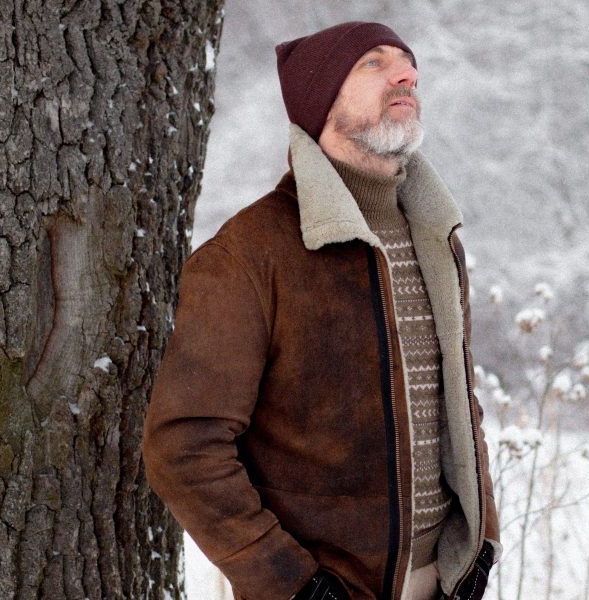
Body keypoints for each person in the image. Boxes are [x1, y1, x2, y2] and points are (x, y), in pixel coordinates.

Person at [143, 21, 500, 600]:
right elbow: (184, 446)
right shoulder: (250, 254)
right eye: (373, 64)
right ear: (320, 97)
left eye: (407, 63)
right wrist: (291, 585)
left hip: (445, 584)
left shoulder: (436, 235)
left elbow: (459, 401)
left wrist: (482, 540)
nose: (406, 74)